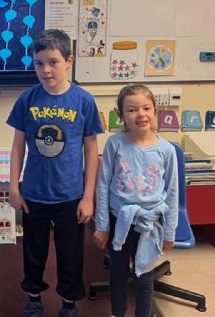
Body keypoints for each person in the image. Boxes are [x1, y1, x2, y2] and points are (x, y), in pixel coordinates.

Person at [7, 29, 103, 317]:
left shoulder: (83, 101)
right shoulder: (27, 99)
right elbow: (17, 146)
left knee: (70, 256)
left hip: (70, 196)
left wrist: (88, 196)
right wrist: (14, 187)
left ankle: (69, 303)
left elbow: (91, 150)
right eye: (39, 63)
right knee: (33, 253)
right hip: (34, 194)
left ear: (69, 61)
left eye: (53, 62)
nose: (46, 70)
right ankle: (34, 299)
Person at [93, 84, 179, 317]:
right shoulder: (115, 144)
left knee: (144, 277)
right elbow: (103, 185)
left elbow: (172, 192)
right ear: (121, 116)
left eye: (146, 108)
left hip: (150, 224)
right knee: (118, 273)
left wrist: (169, 231)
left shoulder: (166, 150)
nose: (140, 114)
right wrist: (102, 225)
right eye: (131, 110)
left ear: (155, 111)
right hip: (119, 219)